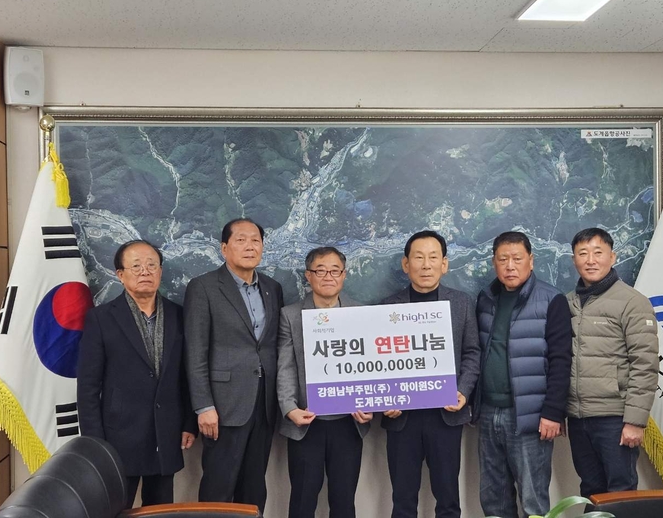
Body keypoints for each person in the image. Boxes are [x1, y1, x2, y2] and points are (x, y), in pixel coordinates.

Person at [77, 240, 196, 509]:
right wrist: (95, 442)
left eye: (152, 265)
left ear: (160, 271)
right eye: (136, 266)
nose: (145, 271)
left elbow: (185, 375)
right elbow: (88, 387)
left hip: (166, 433)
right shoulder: (101, 319)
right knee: (115, 509)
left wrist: (189, 422)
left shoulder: (178, 315)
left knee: (160, 510)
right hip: (119, 436)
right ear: (120, 274)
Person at [183, 218, 284, 511]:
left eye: (255, 240)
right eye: (241, 240)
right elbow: (195, 352)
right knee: (218, 486)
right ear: (224, 248)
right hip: (223, 406)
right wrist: (203, 406)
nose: (249, 246)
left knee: (254, 487)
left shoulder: (272, 288)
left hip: (264, 403)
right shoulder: (203, 287)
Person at [381, 230, 480, 518]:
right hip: (402, 419)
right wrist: (385, 398)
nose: (426, 265)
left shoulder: (461, 303)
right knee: (403, 501)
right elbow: (378, 362)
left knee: (448, 499)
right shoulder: (387, 308)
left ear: (444, 264)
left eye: (433, 257)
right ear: (405, 264)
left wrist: (462, 391)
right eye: (419, 258)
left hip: (445, 416)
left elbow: (472, 352)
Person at [474, 231, 572, 518]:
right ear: (494, 262)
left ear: (531, 260)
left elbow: (561, 360)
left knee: (533, 501)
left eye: (517, 259)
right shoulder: (486, 299)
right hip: (489, 413)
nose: (510, 266)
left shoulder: (551, 299)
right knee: (494, 500)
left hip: (530, 417)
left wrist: (553, 412)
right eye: (503, 259)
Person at [277, 246, 373, 518]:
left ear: (344, 275)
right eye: (320, 271)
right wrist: (289, 408)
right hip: (306, 421)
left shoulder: (361, 313)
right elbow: (285, 366)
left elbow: (372, 366)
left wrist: (370, 404)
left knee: (344, 502)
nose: (328, 276)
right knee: (302, 501)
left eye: (334, 271)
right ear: (308, 275)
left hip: (348, 422)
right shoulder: (290, 315)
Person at [567, 227, 659, 497]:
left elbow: (645, 365)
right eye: (583, 253)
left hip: (615, 419)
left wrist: (635, 422)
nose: (590, 260)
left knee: (621, 491)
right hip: (578, 417)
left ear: (613, 257)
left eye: (598, 253)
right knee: (590, 490)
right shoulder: (568, 303)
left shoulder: (633, 302)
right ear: (574, 259)